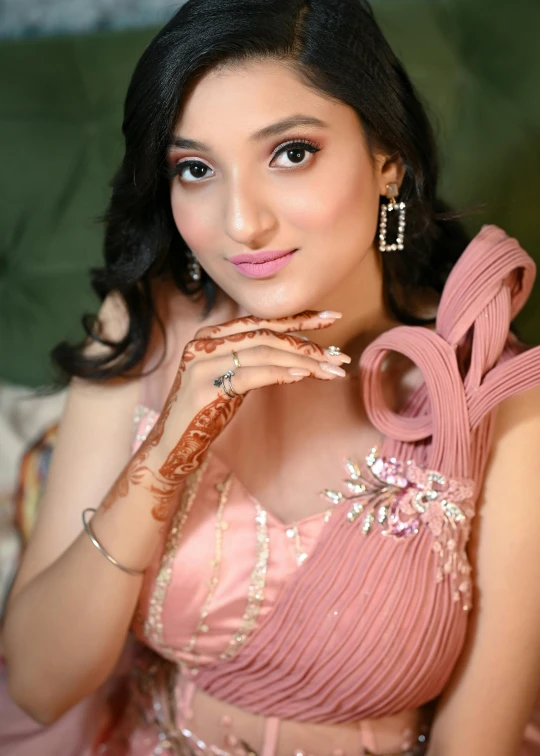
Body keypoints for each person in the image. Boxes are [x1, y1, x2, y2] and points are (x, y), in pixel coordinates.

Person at [3, 0, 540, 754]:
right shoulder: (144, 325)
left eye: (290, 153)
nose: (241, 221)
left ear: (386, 159)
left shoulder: (494, 391)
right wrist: (169, 447)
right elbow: (35, 681)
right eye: (195, 169)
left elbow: (473, 742)